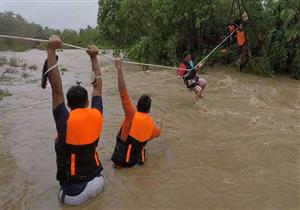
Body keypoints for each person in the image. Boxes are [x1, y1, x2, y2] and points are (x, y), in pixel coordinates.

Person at [42, 35, 104, 205]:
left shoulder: (65, 122)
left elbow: (56, 91)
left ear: (68, 104)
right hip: (98, 182)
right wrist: (94, 57)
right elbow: (97, 86)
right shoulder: (97, 114)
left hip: (75, 192)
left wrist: (50, 50)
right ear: (87, 102)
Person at [111, 58, 162, 168]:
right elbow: (158, 132)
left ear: (137, 106)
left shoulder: (131, 114)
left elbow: (123, 93)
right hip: (135, 163)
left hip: (119, 163)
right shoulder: (152, 126)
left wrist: (119, 69)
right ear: (149, 110)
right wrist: (160, 123)